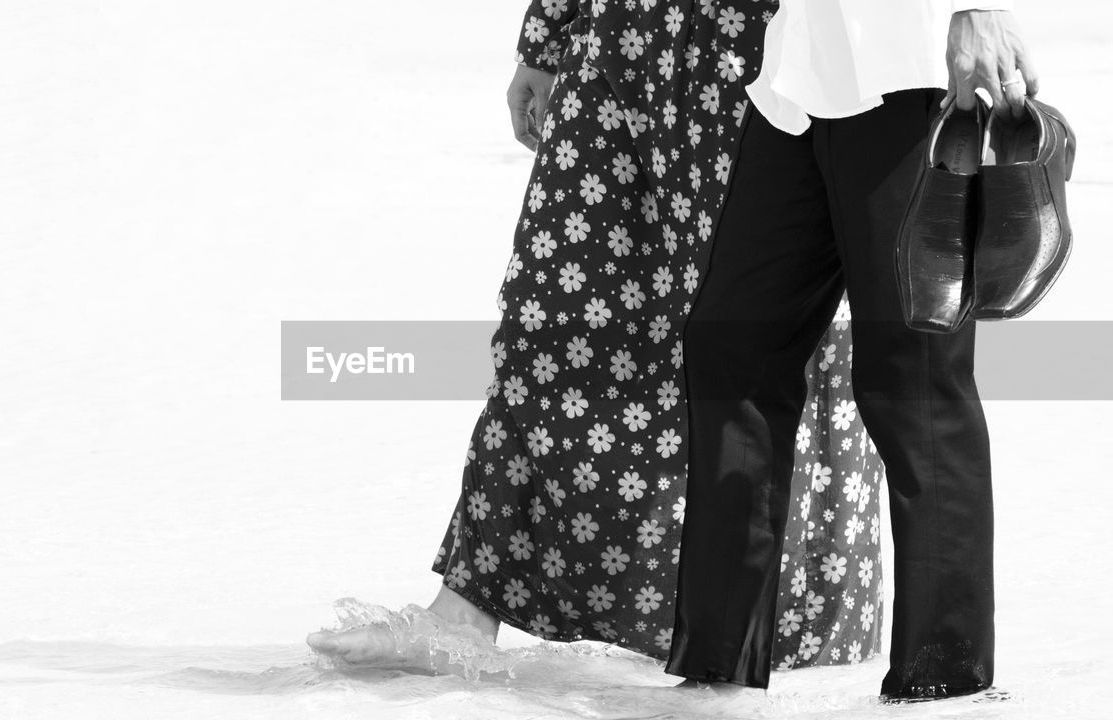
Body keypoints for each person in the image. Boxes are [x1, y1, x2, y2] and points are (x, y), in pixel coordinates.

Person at [308, 0, 888, 683]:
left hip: (767, 52)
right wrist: (548, 33)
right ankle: (464, 612)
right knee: (554, 317)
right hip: (617, 39)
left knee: (768, 339)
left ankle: (787, 628)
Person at [666, 0, 1035, 703]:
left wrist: (979, 6)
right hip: (799, 75)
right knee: (731, 343)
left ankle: (944, 678)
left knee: (913, 374)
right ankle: (717, 664)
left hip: (908, 69)